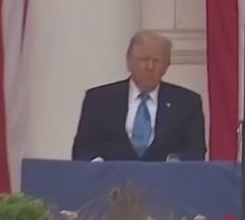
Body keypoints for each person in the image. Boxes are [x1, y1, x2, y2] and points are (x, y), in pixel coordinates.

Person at [71, 30, 207, 162]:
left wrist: (173, 166)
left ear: (167, 65)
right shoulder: (99, 100)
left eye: (157, 60)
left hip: (165, 181)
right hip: (111, 181)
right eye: (143, 60)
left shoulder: (187, 102)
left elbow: (195, 151)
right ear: (128, 62)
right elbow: (84, 148)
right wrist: (101, 171)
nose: (150, 67)